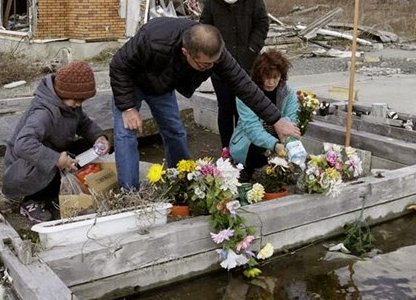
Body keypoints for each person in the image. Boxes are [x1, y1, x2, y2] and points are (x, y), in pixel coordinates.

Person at [109, 17, 301, 189]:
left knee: (175, 132)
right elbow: (118, 65)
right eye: (204, 65)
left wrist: (276, 120)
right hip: (130, 83)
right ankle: (130, 194)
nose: (210, 68)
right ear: (186, 53)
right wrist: (127, 107)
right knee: (125, 134)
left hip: (162, 86)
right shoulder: (153, 40)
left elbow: (244, 85)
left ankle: (183, 180)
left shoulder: (215, 54)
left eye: (214, 63)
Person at [2, 61, 110, 223]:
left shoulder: (70, 105)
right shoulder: (44, 113)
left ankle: (63, 187)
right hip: (22, 168)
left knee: (89, 147)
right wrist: (56, 159)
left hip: (52, 150)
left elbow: (84, 123)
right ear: (62, 92)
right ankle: (32, 200)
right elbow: (23, 144)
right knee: (48, 163)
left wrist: (99, 138)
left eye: (82, 100)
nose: (79, 104)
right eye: (76, 100)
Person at [200, 0, 270, 151]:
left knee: (245, 110)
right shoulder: (212, 2)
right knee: (225, 109)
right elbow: (204, 28)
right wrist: (213, 53)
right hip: (220, 67)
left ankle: (245, 148)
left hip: (247, 64)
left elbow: (262, 24)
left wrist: (252, 49)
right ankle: (226, 148)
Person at [229, 50, 299, 174]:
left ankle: (278, 172)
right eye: (267, 77)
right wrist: (275, 145)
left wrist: (287, 141)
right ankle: (246, 168)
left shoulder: (289, 94)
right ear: (259, 75)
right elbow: (252, 128)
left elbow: (292, 122)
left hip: (279, 137)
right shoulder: (246, 94)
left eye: (275, 77)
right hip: (250, 141)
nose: (271, 82)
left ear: (281, 76)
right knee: (257, 151)